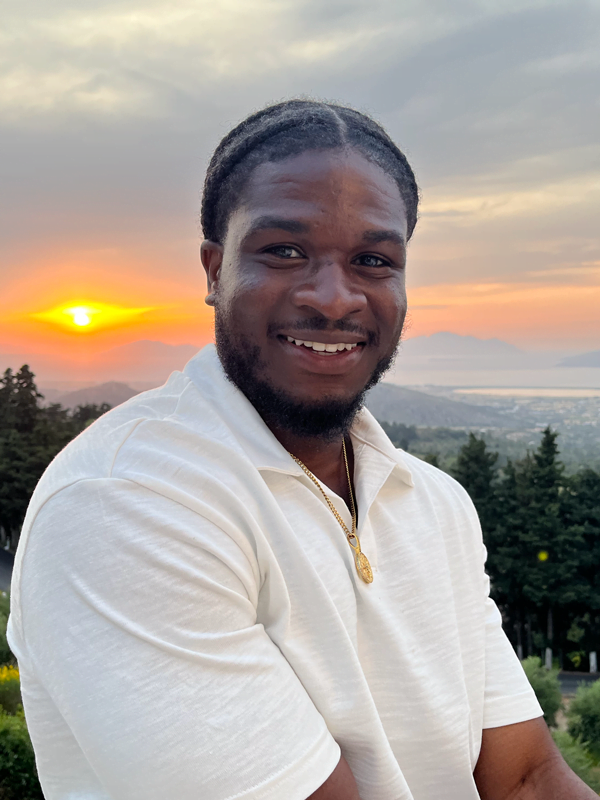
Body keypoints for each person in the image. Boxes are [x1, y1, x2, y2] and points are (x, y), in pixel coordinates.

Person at [8, 100, 596, 800]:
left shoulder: (435, 504)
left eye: (373, 260)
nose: (333, 298)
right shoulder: (124, 504)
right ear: (213, 270)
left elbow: (526, 777)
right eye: (284, 251)